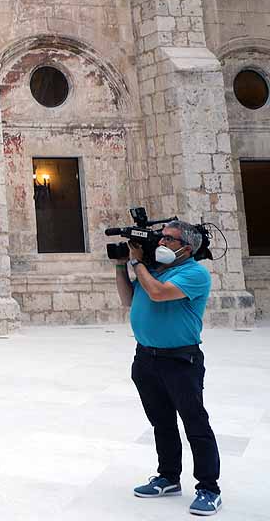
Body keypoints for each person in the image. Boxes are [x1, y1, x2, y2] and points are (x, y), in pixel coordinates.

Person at [116, 220, 222, 516]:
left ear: (186, 248)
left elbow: (158, 294)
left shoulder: (194, 273)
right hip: (146, 358)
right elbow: (128, 299)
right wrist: (120, 266)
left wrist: (137, 262)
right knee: (161, 422)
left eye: (169, 240)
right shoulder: (153, 270)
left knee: (195, 423)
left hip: (180, 360)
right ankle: (168, 477)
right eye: (160, 238)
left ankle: (209, 488)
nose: (161, 243)